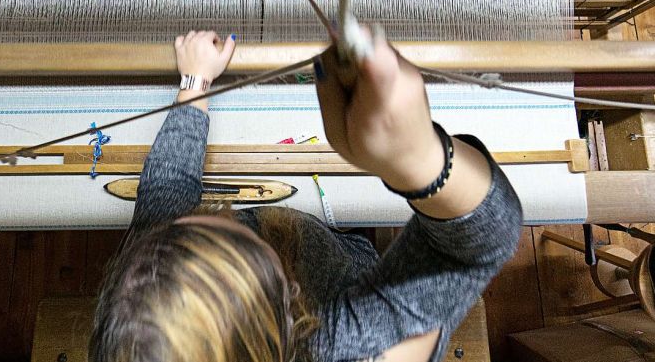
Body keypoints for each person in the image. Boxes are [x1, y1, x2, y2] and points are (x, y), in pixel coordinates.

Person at [89, 29, 522, 362]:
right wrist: (418, 162)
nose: (223, 210)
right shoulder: (352, 346)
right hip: (354, 268)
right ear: (287, 303)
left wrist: (195, 81)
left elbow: (169, 187)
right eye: (233, 231)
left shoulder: (144, 301)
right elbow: (473, 250)